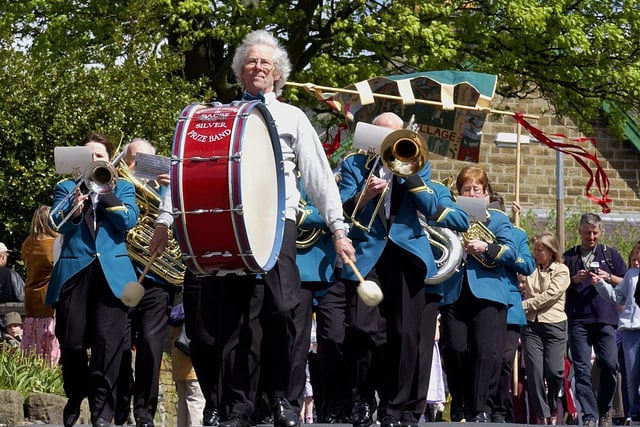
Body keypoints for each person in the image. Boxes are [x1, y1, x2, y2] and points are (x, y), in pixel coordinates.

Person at [150, 29, 355, 427]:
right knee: (235, 320)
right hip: (231, 227)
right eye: (251, 61)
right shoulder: (221, 116)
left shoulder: (293, 116)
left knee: (283, 309)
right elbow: (189, 171)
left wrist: (339, 228)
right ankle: (239, 405)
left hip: (278, 225)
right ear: (240, 70)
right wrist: (164, 219)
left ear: (278, 72)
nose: (258, 66)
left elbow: (319, 177)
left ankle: (283, 399)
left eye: (265, 62)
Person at [339, 111, 446, 427]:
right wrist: (364, 194)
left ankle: (394, 409)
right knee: (361, 331)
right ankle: (360, 401)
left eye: (394, 136)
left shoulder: (418, 162)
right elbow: (341, 209)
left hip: (405, 255)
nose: (387, 142)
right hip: (368, 256)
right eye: (381, 135)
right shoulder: (354, 165)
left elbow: (430, 208)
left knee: (404, 335)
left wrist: (406, 172)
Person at [47, 132, 140, 427]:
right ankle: (76, 393)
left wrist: (105, 191)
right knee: (71, 342)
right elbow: (53, 221)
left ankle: (102, 412)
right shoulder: (66, 186)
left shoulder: (123, 187)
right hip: (75, 271)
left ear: (109, 160)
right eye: (88, 155)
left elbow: (128, 220)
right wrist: (76, 202)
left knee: (107, 345)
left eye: (99, 155)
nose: (94, 160)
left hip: (112, 275)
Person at [438, 165, 518, 423]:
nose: (471, 194)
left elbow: (512, 252)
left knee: (485, 352)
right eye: (466, 189)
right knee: (455, 347)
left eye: (477, 189)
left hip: (488, 292)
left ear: (486, 194)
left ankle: (479, 407)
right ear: (458, 193)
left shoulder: (498, 219)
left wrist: (486, 247)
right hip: (454, 289)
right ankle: (459, 398)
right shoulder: (450, 216)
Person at [114, 138, 176, 427]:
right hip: (122, 278)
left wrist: (168, 189)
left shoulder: (170, 191)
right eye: (135, 160)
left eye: (147, 161)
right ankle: (120, 403)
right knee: (120, 346)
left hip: (157, 282)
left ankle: (144, 412)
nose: (140, 166)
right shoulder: (119, 188)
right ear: (126, 163)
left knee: (151, 346)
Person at [563, 213, 627, 427]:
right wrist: (575, 279)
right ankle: (589, 416)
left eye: (595, 233)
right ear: (580, 232)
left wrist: (608, 277)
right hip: (579, 320)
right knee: (581, 369)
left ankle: (604, 409)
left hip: (605, 319)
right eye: (587, 233)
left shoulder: (611, 255)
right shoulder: (569, 257)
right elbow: (558, 286)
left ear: (600, 232)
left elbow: (626, 283)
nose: (591, 237)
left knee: (610, 364)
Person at [485, 191, 535, 423]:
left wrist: (503, 252)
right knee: (483, 356)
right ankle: (480, 405)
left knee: (504, 360)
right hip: (482, 299)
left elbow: (528, 264)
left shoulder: (516, 234)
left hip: (509, 303)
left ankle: (499, 407)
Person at [521, 231, 571, 425]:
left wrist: (524, 304)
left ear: (551, 251)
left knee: (555, 370)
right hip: (531, 326)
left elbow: (551, 295)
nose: (536, 254)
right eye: (535, 250)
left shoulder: (562, 270)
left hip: (554, 324)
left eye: (540, 250)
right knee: (534, 372)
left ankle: (552, 404)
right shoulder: (530, 269)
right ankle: (542, 415)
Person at [592, 240, 640, 425]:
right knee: (632, 375)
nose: (635, 258)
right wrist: (600, 284)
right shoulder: (631, 275)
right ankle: (635, 414)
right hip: (631, 330)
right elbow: (616, 297)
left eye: (638, 253)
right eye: (634, 253)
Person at [20, 205, 61, 367]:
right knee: (50, 348)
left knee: (32, 348)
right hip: (49, 302)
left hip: (31, 300)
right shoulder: (53, 244)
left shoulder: (27, 244)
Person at [169, 301, 206, 427]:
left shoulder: (178, 312)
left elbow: (171, 337)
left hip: (178, 366)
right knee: (196, 402)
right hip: (194, 367)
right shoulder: (199, 310)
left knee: (183, 405)